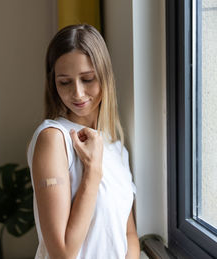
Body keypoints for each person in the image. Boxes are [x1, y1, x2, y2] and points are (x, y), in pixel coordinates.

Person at [27, 24, 139, 259]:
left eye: (87, 79)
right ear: (53, 83)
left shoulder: (116, 147)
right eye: (65, 82)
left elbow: (128, 234)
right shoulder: (53, 139)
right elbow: (63, 253)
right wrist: (93, 171)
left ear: (105, 76)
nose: (77, 93)